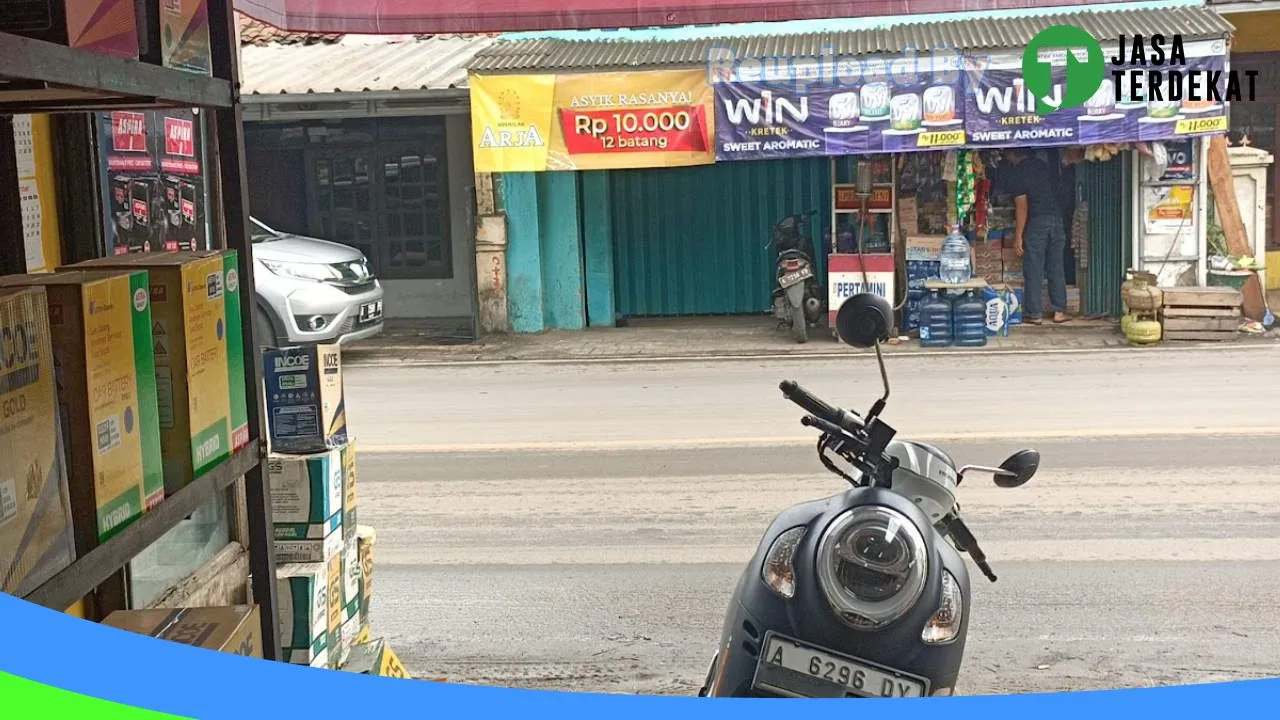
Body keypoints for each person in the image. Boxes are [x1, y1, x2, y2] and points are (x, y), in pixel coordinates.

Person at [1002, 149, 1070, 324]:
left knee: (1034, 268)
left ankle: (1035, 313)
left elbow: (1022, 207)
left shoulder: (1019, 173)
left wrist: (1018, 236)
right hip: (1057, 220)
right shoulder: (1044, 167)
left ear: (1012, 155)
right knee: (1056, 266)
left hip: (1038, 222)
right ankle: (1059, 311)